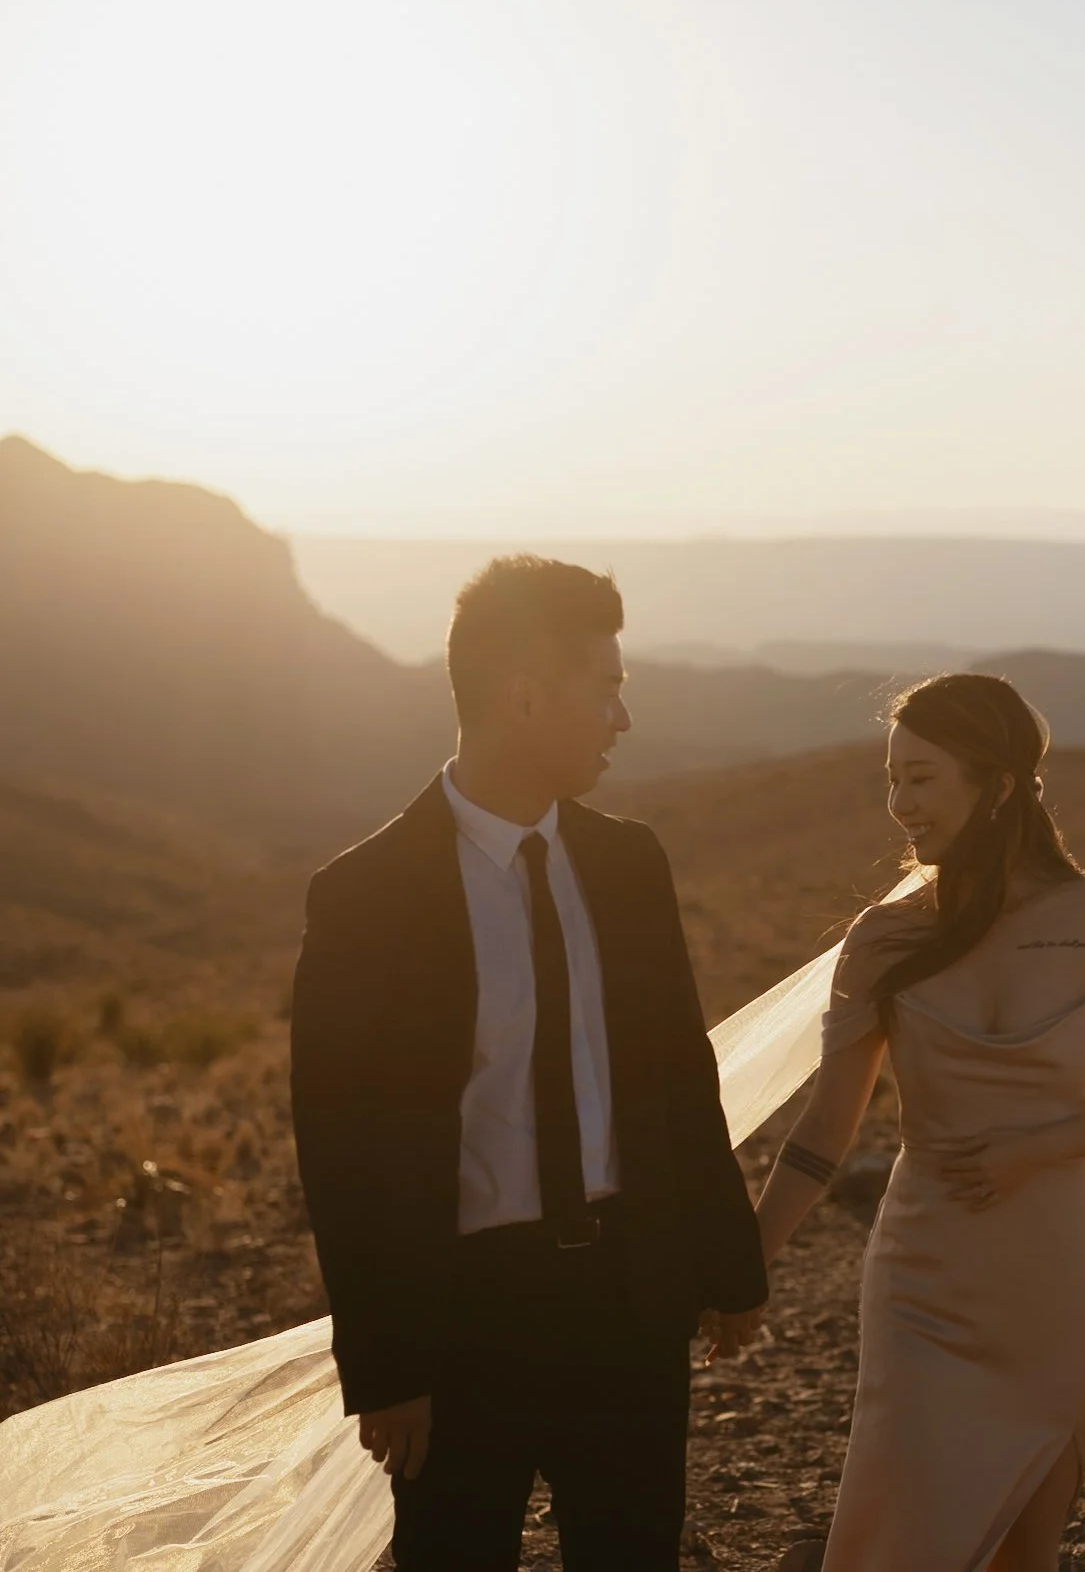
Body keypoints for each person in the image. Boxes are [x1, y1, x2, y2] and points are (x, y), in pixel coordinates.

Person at [289, 554, 766, 1572]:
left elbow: (680, 1072)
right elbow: (341, 1149)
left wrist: (728, 1265)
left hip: (630, 1304)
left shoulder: (630, 863)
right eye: (607, 691)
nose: (621, 720)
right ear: (524, 696)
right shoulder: (364, 895)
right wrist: (384, 1365)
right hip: (461, 1321)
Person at [754, 673, 1085, 1572]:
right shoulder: (883, 937)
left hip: (1056, 1275)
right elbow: (826, 1130)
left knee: (1024, 1554)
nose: (898, 804)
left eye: (922, 779)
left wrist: (1039, 1148)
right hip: (924, 1278)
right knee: (898, 1540)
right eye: (892, 778)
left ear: (994, 786)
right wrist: (745, 1264)